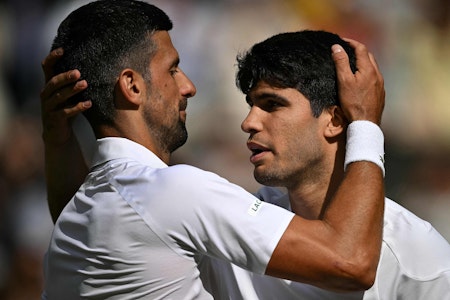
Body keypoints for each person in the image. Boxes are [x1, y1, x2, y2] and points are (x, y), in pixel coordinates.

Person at [39, 1, 386, 299]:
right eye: (172, 69)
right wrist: (365, 123)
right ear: (132, 85)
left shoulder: (76, 220)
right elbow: (350, 262)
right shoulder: (173, 191)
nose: (188, 86)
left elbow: (72, 205)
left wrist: (59, 139)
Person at [201, 30, 450, 299]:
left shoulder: (418, 259)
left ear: (335, 121)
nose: (248, 122)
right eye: (251, 104)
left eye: (272, 104)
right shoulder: (233, 230)